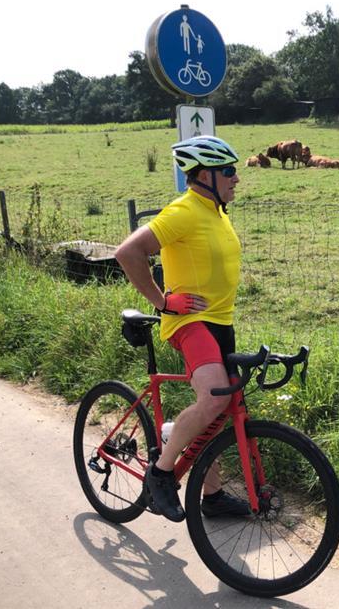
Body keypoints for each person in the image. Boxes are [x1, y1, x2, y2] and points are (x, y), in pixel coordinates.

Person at [114, 135, 248, 522]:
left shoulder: (217, 210)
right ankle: (160, 473)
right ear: (205, 175)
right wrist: (162, 302)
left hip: (220, 321)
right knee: (213, 398)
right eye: (228, 171)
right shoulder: (184, 210)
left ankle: (214, 496)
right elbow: (128, 252)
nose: (236, 177)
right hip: (189, 322)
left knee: (223, 408)